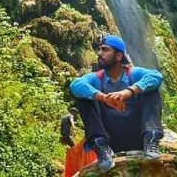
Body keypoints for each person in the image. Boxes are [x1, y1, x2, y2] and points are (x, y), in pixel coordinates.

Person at [70, 34, 164, 172]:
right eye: (100, 49)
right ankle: (101, 147)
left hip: (137, 136)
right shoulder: (97, 79)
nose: (99, 53)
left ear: (119, 56)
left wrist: (129, 92)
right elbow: (75, 85)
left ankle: (151, 141)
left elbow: (157, 76)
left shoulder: (134, 74)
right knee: (84, 96)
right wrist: (103, 97)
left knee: (151, 89)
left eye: (105, 50)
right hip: (111, 139)